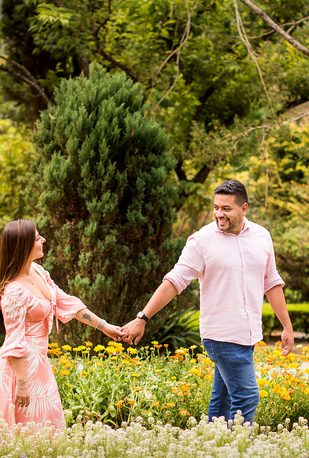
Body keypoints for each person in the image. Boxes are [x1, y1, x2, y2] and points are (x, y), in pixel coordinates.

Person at [121, 180, 294, 425]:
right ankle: (238, 452)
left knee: (222, 397)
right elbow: (174, 281)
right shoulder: (201, 240)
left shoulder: (262, 236)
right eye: (216, 208)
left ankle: (213, 443)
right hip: (221, 334)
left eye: (226, 209)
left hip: (249, 333)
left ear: (244, 209)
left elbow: (272, 283)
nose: (219, 214)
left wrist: (286, 326)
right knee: (247, 396)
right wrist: (143, 318)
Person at [0, 219, 121, 436]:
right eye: (37, 237)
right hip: (19, 371)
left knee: (45, 428)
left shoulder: (39, 272)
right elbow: (15, 341)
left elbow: (67, 303)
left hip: (39, 364)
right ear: (24, 245)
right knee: (23, 432)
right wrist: (21, 384)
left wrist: (104, 327)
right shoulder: (13, 292)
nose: (43, 240)